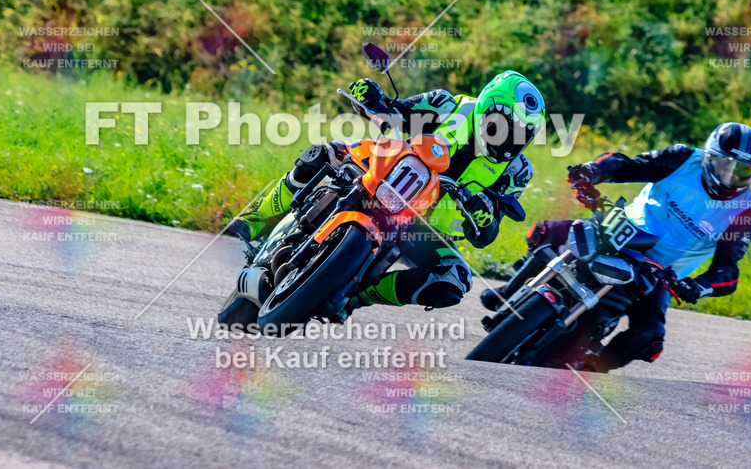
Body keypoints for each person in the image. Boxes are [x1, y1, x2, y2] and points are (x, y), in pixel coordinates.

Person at [227, 70, 547, 318]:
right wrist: (374, 97)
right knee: (324, 154)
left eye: (520, 133)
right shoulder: (446, 105)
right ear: (487, 107)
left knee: (455, 278)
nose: (508, 137)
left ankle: (357, 297)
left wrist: (483, 215)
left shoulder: (517, 172)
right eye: (503, 124)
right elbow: (397, 111)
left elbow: (487, 235)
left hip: (423, 226)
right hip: (388, 169)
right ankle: (256, 217)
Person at [483, 122, 751, 371]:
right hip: (622, 230)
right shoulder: (682, 158)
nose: (730, 177)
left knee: (649, 339)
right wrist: (593, 171)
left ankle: (590, 368)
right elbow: (626, 164)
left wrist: (697, 286)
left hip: (660, 275)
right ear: (708, 156)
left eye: (742, 172)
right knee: (544, 232)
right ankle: (509, 292)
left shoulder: (744, 214)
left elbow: (729, 272)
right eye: (725, 166)